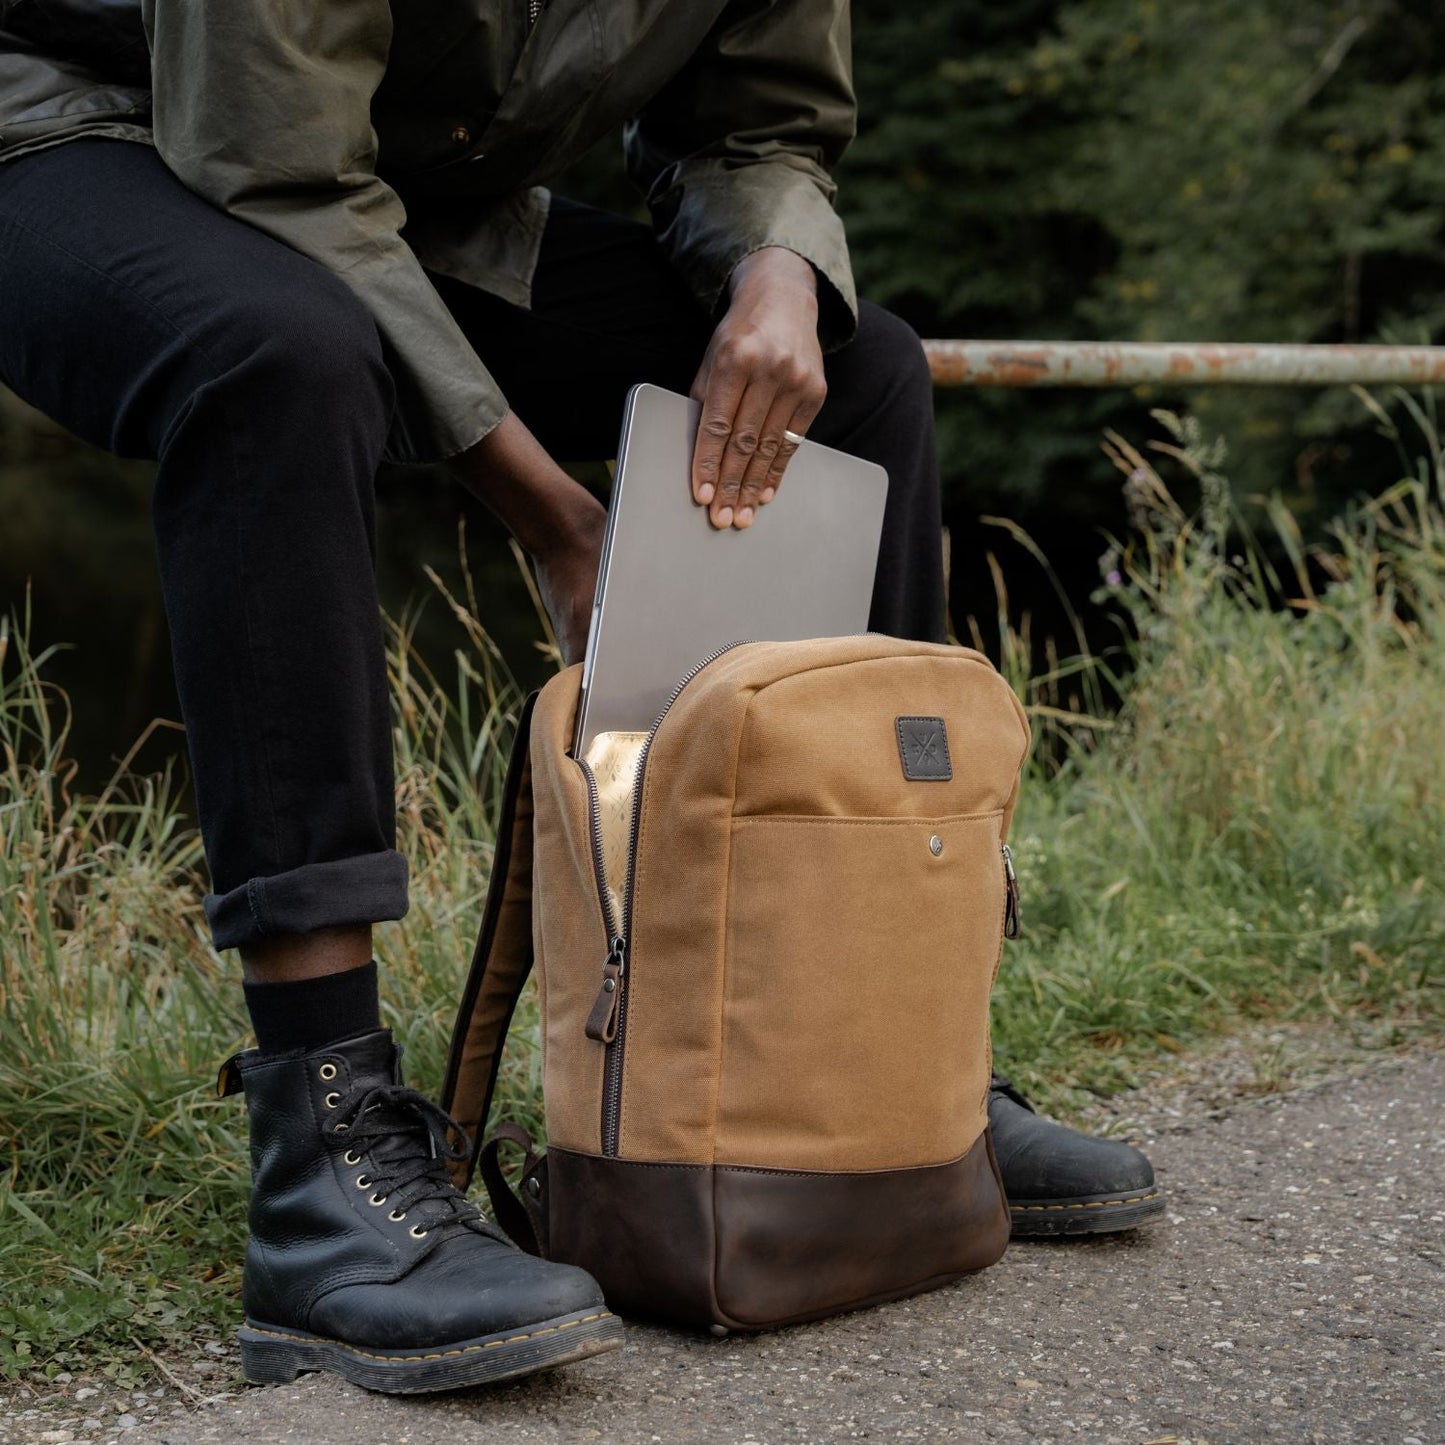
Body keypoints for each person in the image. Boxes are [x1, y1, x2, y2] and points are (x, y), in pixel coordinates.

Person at [0, 0, 1163, 1395]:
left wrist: (781, 274)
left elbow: (761, 125)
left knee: (859, 373)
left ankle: (889, 1069)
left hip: (397, 197)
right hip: (82, 135)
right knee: (278, 357)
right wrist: (558, 518)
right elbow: (274, 165)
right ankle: (321, 1165)